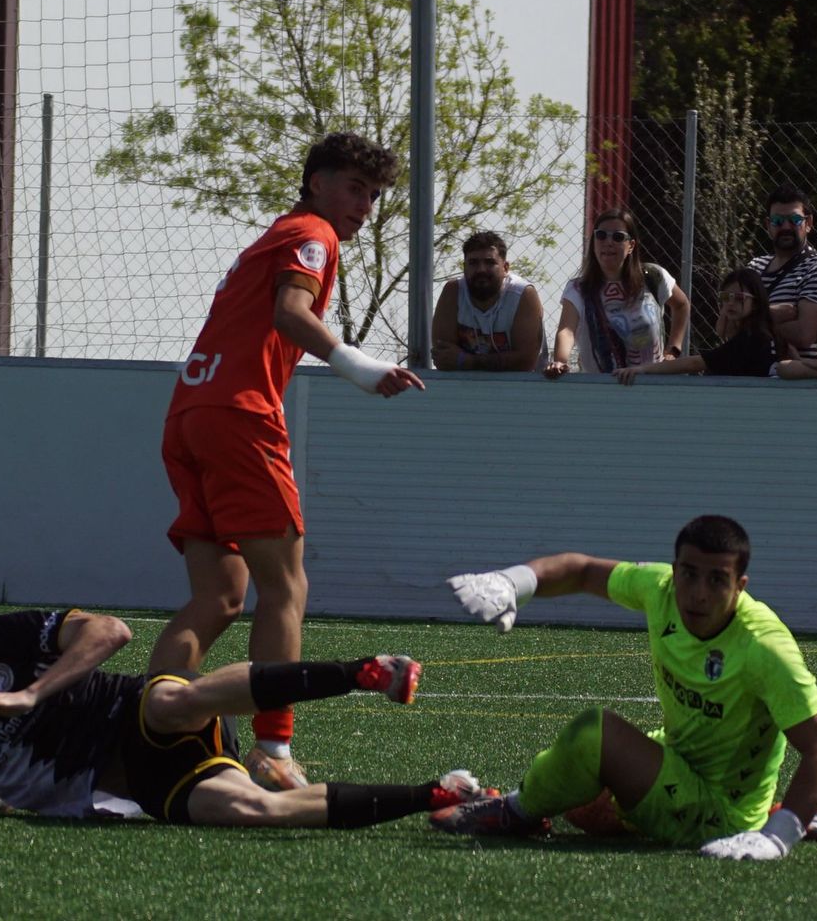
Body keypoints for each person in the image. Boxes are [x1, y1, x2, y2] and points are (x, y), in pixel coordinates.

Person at [153, 132, 426, 790]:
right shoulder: (313, 233)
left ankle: (149, 731)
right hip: (239, 416)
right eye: (354, 188)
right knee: (285, 587)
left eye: (373, 194)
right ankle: (272, 751)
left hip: (188, 413)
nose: (364, 205)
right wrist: (361, 367)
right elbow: (290, 312)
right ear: (316, 183)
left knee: (219, 597)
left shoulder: (278, 233)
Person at [0, 588, 487, 827]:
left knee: (174, 698)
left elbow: (112, 631)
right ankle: (438, 794)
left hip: (136, 713)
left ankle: (366, 672)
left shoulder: (5, 636)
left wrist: (28, 694)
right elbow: (2, 792)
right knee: (250, 810)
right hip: (146, 784)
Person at [434, 515, 817, 861]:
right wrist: (514, 581)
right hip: (677, 759)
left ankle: (513, 812)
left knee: (594, 735)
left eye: (718, 580)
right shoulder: (659, 589)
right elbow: (582, 570)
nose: (699, 594)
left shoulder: (765, 647)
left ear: (740, 586)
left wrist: (776, 838)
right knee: (580, 804)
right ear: (675, 570)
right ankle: (792, 813)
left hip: (719, 814)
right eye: (689, 574)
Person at [543, 210, 689, 378]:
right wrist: (560, 361)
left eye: (618, 237)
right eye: (601, 235)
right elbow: (567, 330)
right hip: (600, 387)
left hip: (651, 385)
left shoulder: (653, 276)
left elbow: (681, 305)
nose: (608, 242)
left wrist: (673, 350)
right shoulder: (578, 288)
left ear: (631, 246)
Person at [612, 267, 778, 383]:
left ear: (756, 303)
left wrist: (643, 369)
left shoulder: (751, 338)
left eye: (740, 298)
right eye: (726, 297)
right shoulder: (755, 334)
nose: (731, 303)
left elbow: (695, 364)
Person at [746, 185, 817, 359]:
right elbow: (728, 325)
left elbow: (804, 334)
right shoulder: (755, 267)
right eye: (777, 221)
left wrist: (753, 320)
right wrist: (774, 314)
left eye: (795, 220)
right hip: (750, 370)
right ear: (768, 225)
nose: (786, 227)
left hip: (796, 373)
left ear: (808, 223)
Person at [430, 230, 545, 372]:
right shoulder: (453, 292)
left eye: (490, 262)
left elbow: (526, 362)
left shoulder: (522, 294)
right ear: (464, 267)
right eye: (473, 263)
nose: (481, 270)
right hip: (463, 383)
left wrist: (468, 361)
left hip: (522, 383)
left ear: (505, 268)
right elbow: (443, 357)